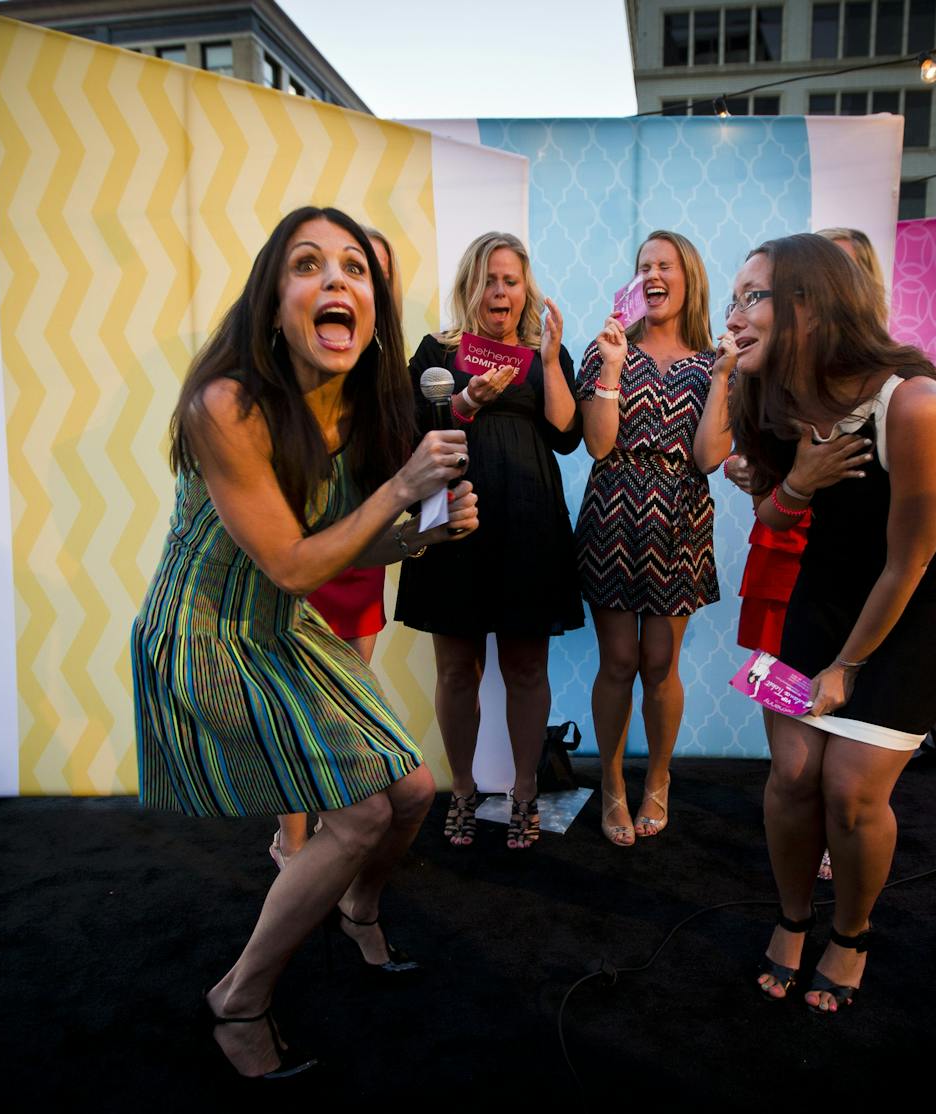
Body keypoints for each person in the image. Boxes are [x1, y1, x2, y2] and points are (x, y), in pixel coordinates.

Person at [131, 206, 479, 1078]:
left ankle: (357, 910)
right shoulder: (228, 403)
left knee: (413, 793)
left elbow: (336, 551)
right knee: (361, 810)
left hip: (286, 627)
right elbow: (290, 562)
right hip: (206, 632)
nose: (335, 281)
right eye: (307, 266)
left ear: (375, 305)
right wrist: (403, 489)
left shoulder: (359, 404)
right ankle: (237, 1000)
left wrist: (418, 540)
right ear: (273, 302)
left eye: (354, 269)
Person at [728, 233, 936, 1014]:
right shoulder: (765, 393)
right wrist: (798, 485)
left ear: (808, 303)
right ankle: (793, 918)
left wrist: (846, 667)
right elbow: (770, 516)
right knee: (792, 777)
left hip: (923, 605)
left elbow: (909, 563)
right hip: (823, 591)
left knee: (848, 790)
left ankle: (852, 933)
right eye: (734, 298)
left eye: (753, 296)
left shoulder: (911, 400)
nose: (734, 315)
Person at [394, 232, 582, 850]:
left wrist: (551, 360)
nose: (499, 291)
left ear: (525, 288)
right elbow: (407, 428)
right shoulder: (436, 352)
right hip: (453, 520)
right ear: (469, 286)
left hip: (529, 524)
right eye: (488, 279)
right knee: (456, 669)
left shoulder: (543, 352)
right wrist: (466, 403)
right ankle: (466, 790)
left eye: (510, 280)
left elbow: (565, 434)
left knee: (527, 665)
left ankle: (525, 792)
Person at [574, 230, 732, 846]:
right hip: (613, 513)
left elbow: (711, 455)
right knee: (619, 660)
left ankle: (658, 780)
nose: (653, 274)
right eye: (643, 266)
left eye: (665, 265)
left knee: (660, 663)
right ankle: (612, 784)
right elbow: (598, 444)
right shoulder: (608, 348)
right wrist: (612, 366)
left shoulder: (715, 363)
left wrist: (723, 377)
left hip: (680, 522)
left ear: (687, 278)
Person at [272, 227, 405, 871]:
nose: (347, 283)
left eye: (365, 273)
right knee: (297, 716)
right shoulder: (274, 394)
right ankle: (292, 846)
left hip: (361, 566)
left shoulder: (385, 388)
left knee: (341, 714)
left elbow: (388, 487)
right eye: (327, 268)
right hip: (298, 571)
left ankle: (331, 843)